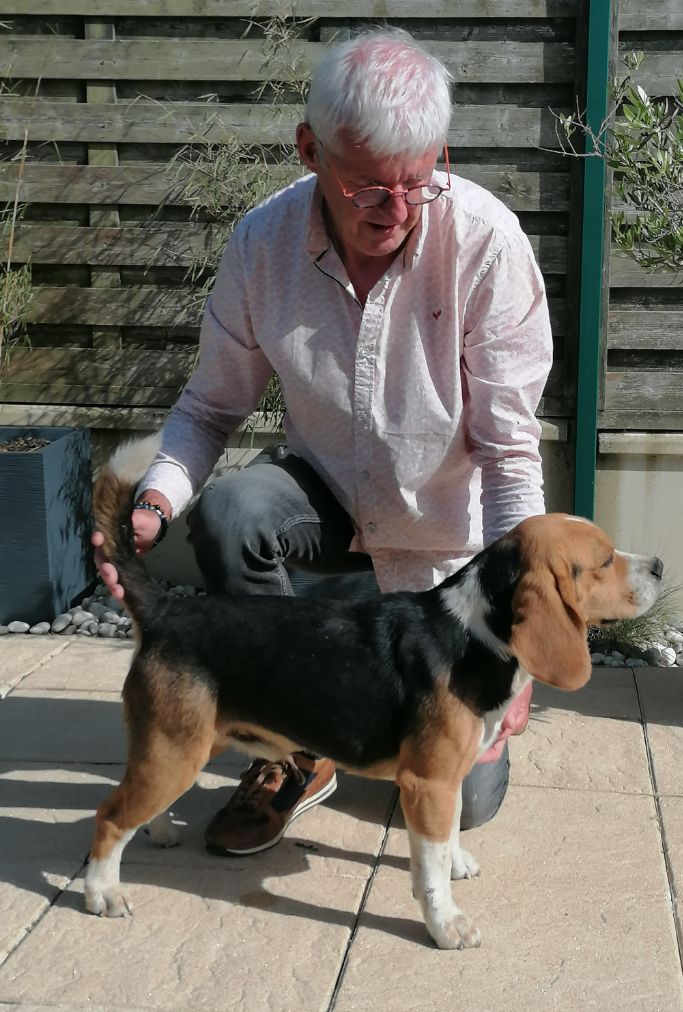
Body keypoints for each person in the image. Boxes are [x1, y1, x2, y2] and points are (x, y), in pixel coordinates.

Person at [95, 27, 553, 856]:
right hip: (327, 497)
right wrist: (156, 500)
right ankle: (295, 748)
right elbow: (208, 409)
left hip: (443, 554)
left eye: (419, 183)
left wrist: (515, 637)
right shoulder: (260, 246)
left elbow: (511, 453)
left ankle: (352, 695)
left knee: (468, 801)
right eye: (370, 186)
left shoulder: (487, 245)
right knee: (231, 513)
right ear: (309, 150)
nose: (398, 210)